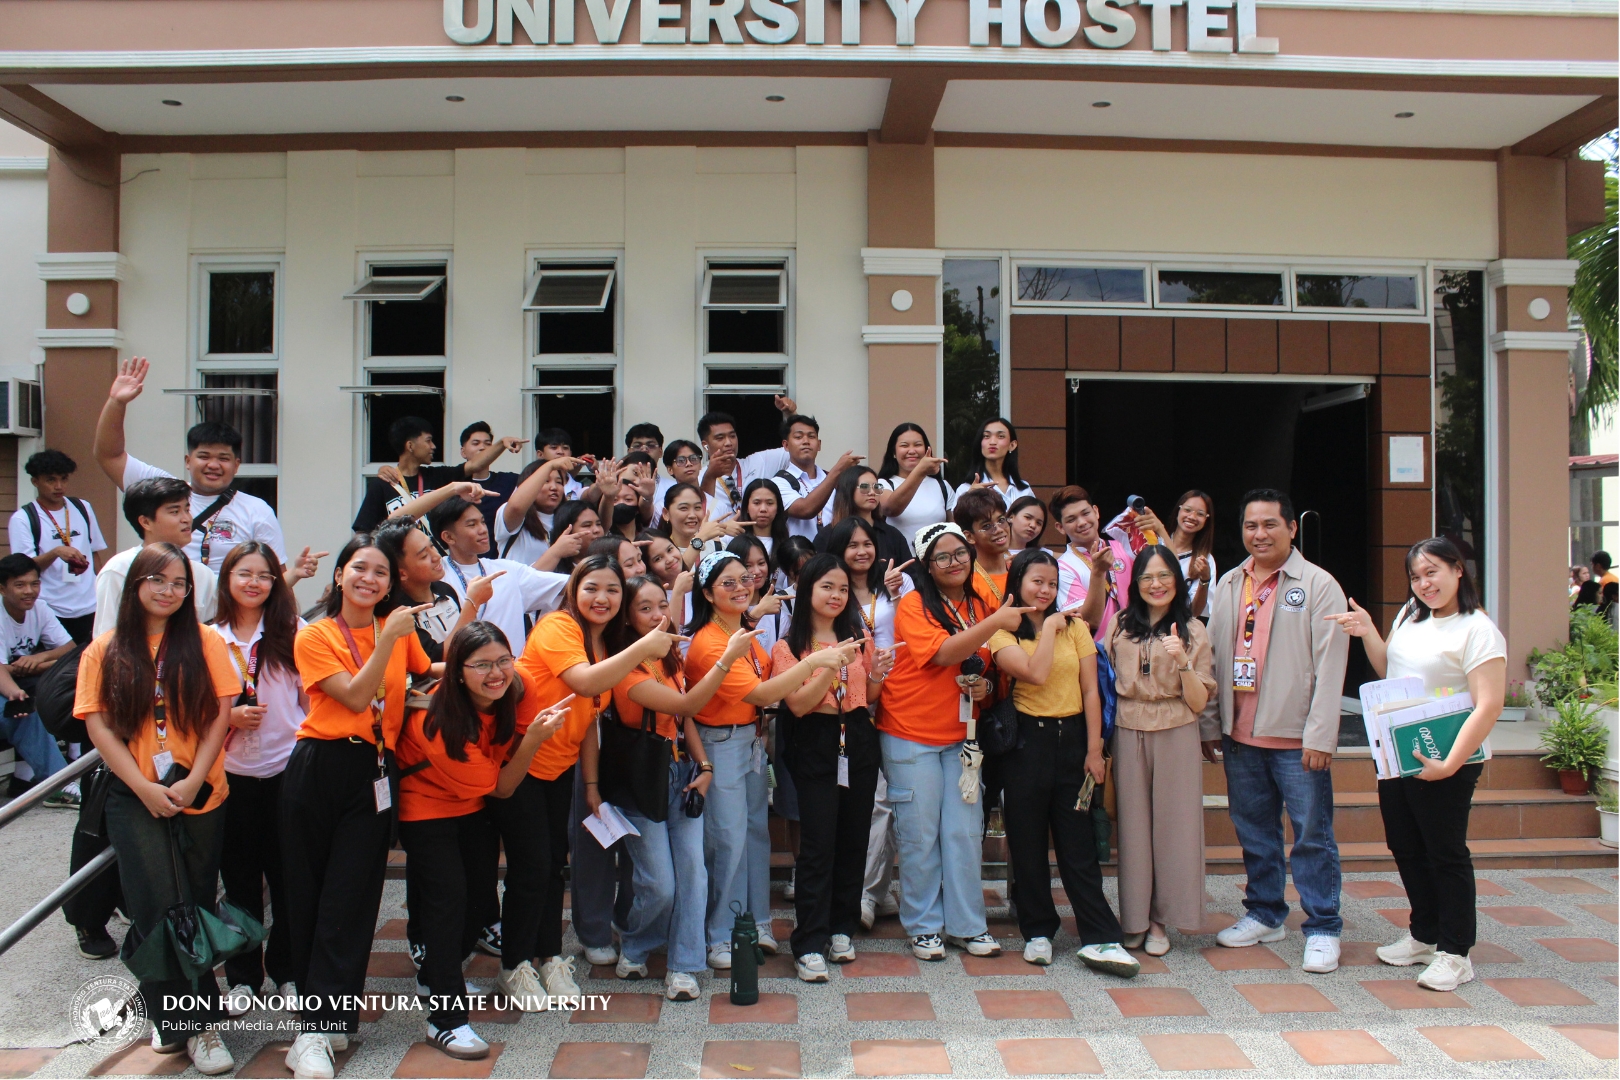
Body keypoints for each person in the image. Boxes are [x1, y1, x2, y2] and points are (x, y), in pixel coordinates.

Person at [74, 543, 241, 1075]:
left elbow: (222, 713)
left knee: (195, 904)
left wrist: (193, 780)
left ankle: (189, 1019)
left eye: (179, 583)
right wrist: (143, 787)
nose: (169, 591)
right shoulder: (105, 649)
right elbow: (98, 725)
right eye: (158, 580)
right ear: (136, 584)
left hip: (200, 789)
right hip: (135, 794)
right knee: (155, 907)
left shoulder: (205, 641)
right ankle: (190, 1025)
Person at [281, 537, 434, 1080]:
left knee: (352, 896)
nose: (369, 579)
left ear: (392, 583)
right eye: (359, 568)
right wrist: (387, 640)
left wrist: (476, 640)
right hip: (319, 765)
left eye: (381, 572)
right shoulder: (316, 633)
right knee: (309, 894)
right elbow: (351, 695)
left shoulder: (397, 629)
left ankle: (328, 1018)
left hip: (375, 768)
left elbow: (427, 673)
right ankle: (314, 1027)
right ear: (340, 575)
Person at [1326, 537, 1507, 993]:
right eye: (1416, 576)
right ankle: (1425, 935)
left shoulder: (1477, 629)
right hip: (1400, 750)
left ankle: (1456, 952)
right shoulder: (1411, 614)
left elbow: (1488, 704)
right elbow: (1391, 670)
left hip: (1447, 754)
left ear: (1458, 570)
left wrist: (1449, 763)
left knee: (1445, 852)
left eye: (1432, 572)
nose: (1424, 584)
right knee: (1406, 845)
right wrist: (1368, 631)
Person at [510, 555, 685, 995]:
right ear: (573, 590)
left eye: (612, 590)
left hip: (560, 768)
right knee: (532, 869)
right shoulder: (557, 626)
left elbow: (589, 717)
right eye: (591, 588)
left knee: (552, 866)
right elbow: (586, 684)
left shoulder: (603, 643)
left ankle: (549, 957)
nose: (601, 597)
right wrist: (643, 648)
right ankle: (516, 965)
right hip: (522, 763)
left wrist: (590, 784)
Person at [397, 622, 568, 1054]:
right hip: (426, 810)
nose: (496, 673)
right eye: (481, 665)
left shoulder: (514, 687)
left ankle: (434, 975)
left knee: (476, 904)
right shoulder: (433, 718)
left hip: (470, 806)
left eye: (503, 660)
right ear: (457, 670)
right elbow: (503, 787)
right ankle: (446, 1021)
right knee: (448, 902)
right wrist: (534, 740)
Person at [582, 575, 754, 1000]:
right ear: (628, 618)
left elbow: (683, 719)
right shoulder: (624, 668)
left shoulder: (668, 656)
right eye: (646, 608)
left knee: (694, 873)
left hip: (682, 774)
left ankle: (684, 966)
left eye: (663, 605)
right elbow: (686, 703)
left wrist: (705, 765)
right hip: (642, 779)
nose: (659, 615)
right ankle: (636, 940)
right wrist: (726, 659)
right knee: (659, 883)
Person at [683, 550, 855, 969]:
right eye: (728, 583)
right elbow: (762, 692)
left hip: (751, 740)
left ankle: (756, 921)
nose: (741, 588)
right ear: (707, 593)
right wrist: (814, 662)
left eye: (745, 579)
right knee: (727, 841)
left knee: (755, 835)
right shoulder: (710, 642)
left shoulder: (742, 630)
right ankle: (720, 934)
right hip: (721, 742)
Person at [1204, 489, 1349, 976]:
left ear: (1291, 527)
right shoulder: (1230, 582)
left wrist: (1321, 736)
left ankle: (1323, 926)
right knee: (1254, 830)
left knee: (1312, 835)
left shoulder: (1317, 584)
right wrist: (1212, 724)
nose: (1259, 534)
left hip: (1296, 739)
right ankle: (1265, 913)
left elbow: (1332, 665)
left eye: (1269, 524)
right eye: (1251, 525)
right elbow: (1214, 659)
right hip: (1240, 734)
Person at [879, 523, 1028, 961]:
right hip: (910, 732)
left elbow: (985, 663)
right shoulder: (913, 603)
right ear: (927, 566)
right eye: (942, 557)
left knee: (963, 832)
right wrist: (995, 622)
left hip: (963, 736)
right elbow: (943, 653)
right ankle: (924, 926)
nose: (954, 562)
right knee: (920, 834)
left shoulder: (980, 603)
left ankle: (968, 925)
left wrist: (984, 686)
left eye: (960, 553)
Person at [989, 548, 1137, 976]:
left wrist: (1095, 750)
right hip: (1026, 745)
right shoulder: (1003, 630)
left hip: (1072, 740)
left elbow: (1091, 690)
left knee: (1077, 843)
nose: (1045, 590)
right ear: (1018, 582)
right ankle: (1037, 929)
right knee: (1027, 841)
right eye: (1036, 581)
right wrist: (1051, 627)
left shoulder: (1075, 628)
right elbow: (1034, 673)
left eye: (1052, 583)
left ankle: (1100, 935)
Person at [772, 554, 891, 981]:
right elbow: (799, 704)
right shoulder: (787, 647)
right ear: (807, 590)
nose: (837, 595)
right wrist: (829, 666)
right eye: (827, 587)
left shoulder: (859, 636)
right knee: (819, 844)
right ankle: (808, 942)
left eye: (843, 588)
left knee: (855, 837)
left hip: (856, 736)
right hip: (815, 738)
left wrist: (875, 674)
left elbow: (867, 697)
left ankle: (842, 927)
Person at [1101, 546, 1216, 959]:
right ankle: (1133, 920)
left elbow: (1199, 701)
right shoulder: (1119, 624)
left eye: (1164, 575)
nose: (1156, 584)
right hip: (1128, 727)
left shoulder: (1193, 629)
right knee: (1133, 830)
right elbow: (1103, 678)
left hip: (1176, 729)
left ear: (1177, 581)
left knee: (1174, 829)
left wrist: (1182, 660)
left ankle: (1160, 922)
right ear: (1135, 583)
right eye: (1147, 577)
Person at [94, 357, 297, 580]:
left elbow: (275, 577)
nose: (213, 465)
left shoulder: (256, 510)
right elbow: (109, 456)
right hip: (164, 595)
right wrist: (116, 402)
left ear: (236, 465)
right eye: (204, 456)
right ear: (188, 461)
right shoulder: (163, 491)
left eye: (223, 458)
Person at [213, 543, 306, 1015]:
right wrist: (227, 718)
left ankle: (287, 971)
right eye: (244, 573)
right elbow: (192, 707)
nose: (254, 583)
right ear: (227, 578)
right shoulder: (208, 638)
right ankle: (243, 977)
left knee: (289, 877)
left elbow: (311, 702)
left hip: (286, 770)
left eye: (265, 575)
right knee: (240, 880)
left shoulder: (294, 632)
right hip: (230, 775)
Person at [817, 517, 912, 928]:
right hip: (851, 697)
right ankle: (864, 893)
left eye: (867, 543)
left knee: (891, 795)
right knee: (870, 799)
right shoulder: (831, 592)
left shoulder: (894, 586)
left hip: (898, 692)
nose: (861, 551)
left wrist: (897, 593)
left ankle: (873, 887)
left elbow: (908, 629)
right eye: (852, 544)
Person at [427, 496, 568, 657]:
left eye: (482, 522)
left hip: (511, 669)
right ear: (449, 537)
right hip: (460, 668)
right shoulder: (435, 577)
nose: (483, 529)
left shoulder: (508, 570)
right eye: (472, 524)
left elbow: (568, 585)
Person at [352, 414, 519, 534]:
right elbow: (363, 532)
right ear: (410, 446)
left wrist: (501, 444)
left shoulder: (438, 476)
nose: (433, 446)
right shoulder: (383, 484)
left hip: (436, 561)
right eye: (428, 440)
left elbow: (475, 464)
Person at [96, 478, 219, 637]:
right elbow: (105, 637)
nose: (187, 519)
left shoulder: (203, 574)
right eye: (175, 512)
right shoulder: (120, 569)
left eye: (187, 510)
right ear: (146, 522)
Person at [0, 554, 76, 801]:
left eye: (34, 584)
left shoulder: (39, 608)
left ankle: (70, 763)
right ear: (2, 589)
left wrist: (40, 659)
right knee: (24, 710)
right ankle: (58, 784)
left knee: (69, 683)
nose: (29, 591)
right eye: (20, 585)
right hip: (5, 686)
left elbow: (70, 649)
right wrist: (14, 693)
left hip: (17, 680)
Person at [10, 448, 106, 643]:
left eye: (64, 479)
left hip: (90, 605)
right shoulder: (24, 518)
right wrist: (55, 553)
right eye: (51, 480)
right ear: (35, 481)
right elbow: (23, 569)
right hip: (51, 608)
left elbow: (94, 551)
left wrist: (103, 589)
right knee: (60, 660)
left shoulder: (82, 507)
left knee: (92, 656)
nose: (59, 486)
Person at [1050, 486, 1134, 635]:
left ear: (1096, 511)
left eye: (1086, 513)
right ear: (1060, 527)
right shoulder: (1062, 568)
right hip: (1097, 647)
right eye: (1071, 519)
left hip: (1137, 641)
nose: (1082, 522)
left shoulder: (1125, 547)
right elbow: (1089, 621)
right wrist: (1098, 572)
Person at [767, 414, 862, 542]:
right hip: (799, 553)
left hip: (833, 552)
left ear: (819, 445)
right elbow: (806, 510)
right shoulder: (778, 483)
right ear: (786, 445)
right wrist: (838, 470)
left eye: (811, 436)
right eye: (798, 437)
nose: (806, 441)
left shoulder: (832, 478)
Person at [877, 423, 955, 544]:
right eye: (904, 445)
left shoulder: (943, 486)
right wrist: (920, 471)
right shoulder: (882, 484)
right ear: (893, 452)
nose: (912, 451)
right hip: (899, 556)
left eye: (918, 445)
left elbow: (955, 529)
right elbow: (890, 509)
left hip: (936, 555)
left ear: (926, 450)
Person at [493, 457, 577, 567]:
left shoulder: (568, 520)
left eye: (559, 482)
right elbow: (516, 507)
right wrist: (550, 465)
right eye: (546, 481)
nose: (554, 487)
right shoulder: (513, 515)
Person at [455, 422, 524, 553]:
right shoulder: (453, 486)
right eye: (476, 443)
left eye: (488, 444)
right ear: (463, 452)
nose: (482, 448)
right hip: (463, 558)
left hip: (499, 559)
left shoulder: (509, 481)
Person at [826, 465, 910, 570]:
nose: (872, 493)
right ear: (849, 490)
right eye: (864, 487)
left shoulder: (892, 535)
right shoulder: (828, 534)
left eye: (876, 487)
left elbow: (911, 574)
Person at [956, 418, 1033, 506]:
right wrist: (969, 498)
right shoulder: (966, 489)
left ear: (1012, 445)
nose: (992, 442)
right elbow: (958, 515)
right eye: (986, 436)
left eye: (1001, 436)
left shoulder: (1024, 489)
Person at [954, 488, 1012, 604]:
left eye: (1001, 520)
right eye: (987, 526)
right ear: (969, 537)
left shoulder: (1022, 570)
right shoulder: (967, 582)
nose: (999, 529)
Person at [1165, 491, 1216, 618]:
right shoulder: (1156, 543)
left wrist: (1205, 579)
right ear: (1178, 511)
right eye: (1187, 510)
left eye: (1200, 514)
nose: (1192, 517)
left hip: (1179, 626)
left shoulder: (1206, 559)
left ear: (1206, 520)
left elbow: (1194, 612)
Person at [742, 478, 790, 562]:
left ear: (778, 508)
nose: (763, 509)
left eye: (769, 503)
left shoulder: (788, 546)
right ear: (746, 507)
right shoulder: (731, 539)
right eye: (757, 503)